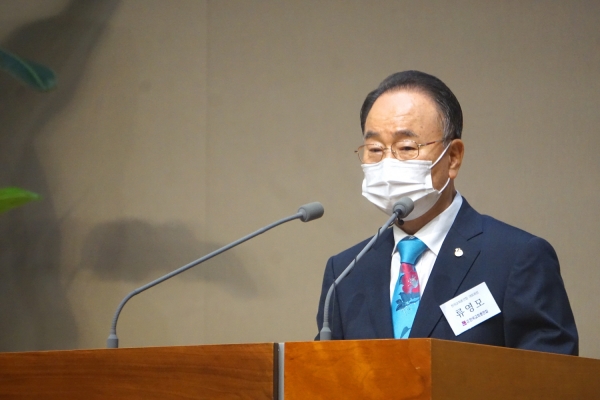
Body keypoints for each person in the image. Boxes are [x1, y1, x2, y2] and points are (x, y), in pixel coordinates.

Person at [316, 70, 578, 355]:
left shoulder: (517, 258)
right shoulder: (344, 274)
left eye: (406, 146)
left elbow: (552, 379)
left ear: (453, 157)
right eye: (375, 148)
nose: (387, 162)